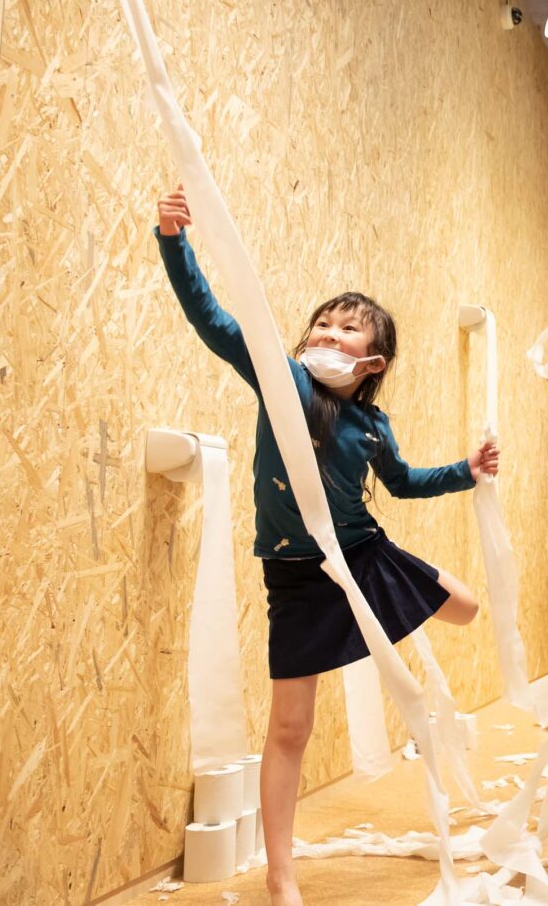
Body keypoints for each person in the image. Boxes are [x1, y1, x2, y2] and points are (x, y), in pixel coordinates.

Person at [156, 185, 496, 906]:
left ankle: (402, 610)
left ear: (374, 363)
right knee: (291, 725)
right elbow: (213, 320)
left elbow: (402, 483)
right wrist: (174, 240)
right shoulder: (281, 381)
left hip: (363, 555)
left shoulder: (371, 426)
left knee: (467, 607)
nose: (329, 335)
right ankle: (281, 873)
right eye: (323, 324)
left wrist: (465, 471)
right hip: (298, 575)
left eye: (348, 331)